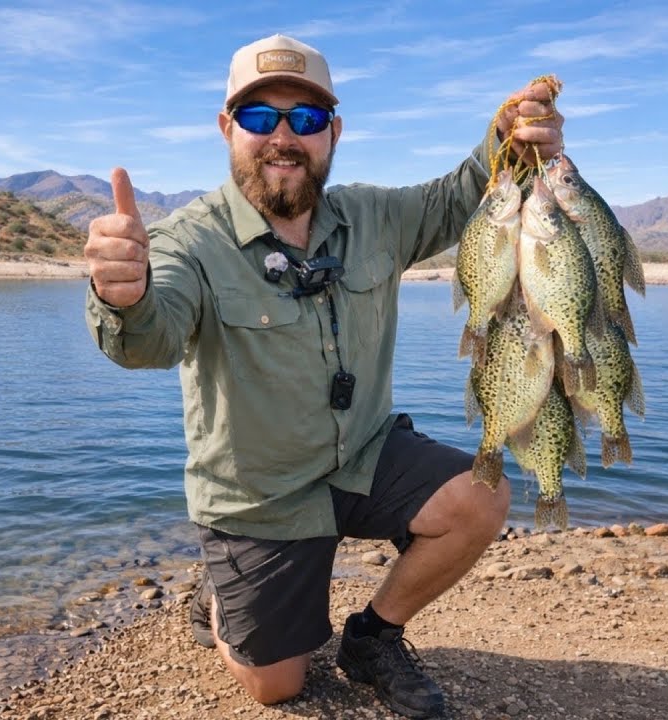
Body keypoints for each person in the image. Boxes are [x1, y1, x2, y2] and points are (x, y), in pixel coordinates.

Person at [83, 33, 564, 719]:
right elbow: (148, 342)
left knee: (481, 496)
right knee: (278, 685)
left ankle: (372, 638)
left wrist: (511, 134)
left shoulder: (377, 217)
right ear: (227, 129)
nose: (283, 136)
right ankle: (219, 594)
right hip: (261, 494)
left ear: (332, 132)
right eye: (259, 118)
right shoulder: (187, 242)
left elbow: (464, 193)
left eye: (305, 119)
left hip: (362, 456)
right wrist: (121, 297)